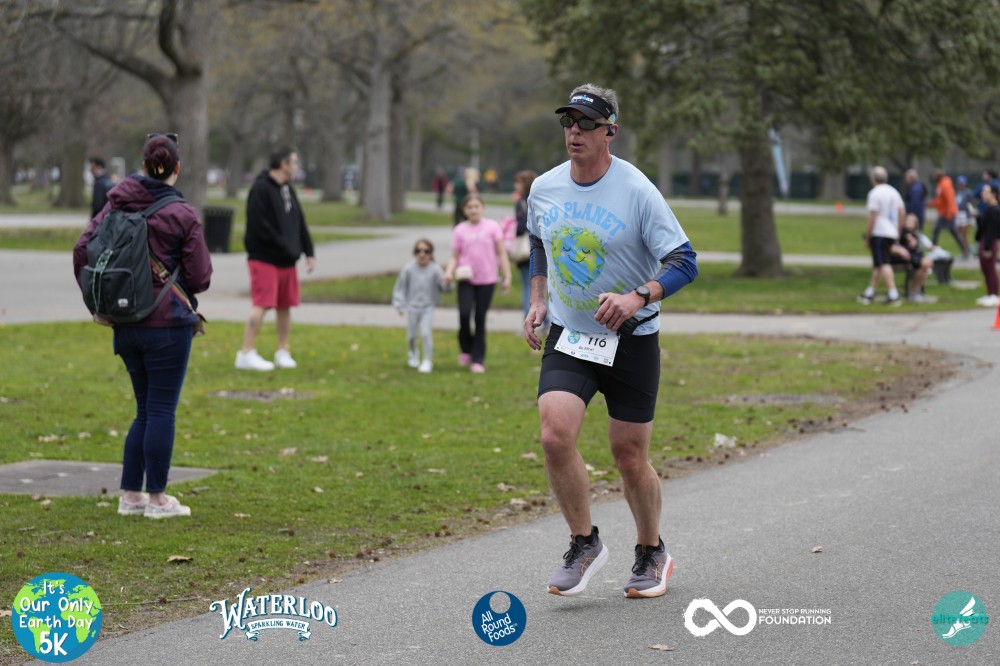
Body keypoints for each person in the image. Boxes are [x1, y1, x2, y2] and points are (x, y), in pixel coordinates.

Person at [523, 83, 698, 599]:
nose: (574, 132)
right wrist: (537, 298)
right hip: (570, 334)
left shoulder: (637, 190)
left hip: (631, 338)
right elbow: (538, 241)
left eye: (586, 124)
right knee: (554, 436)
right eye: (568, 122)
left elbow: (685, 261)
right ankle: (584, 544)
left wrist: (637, 297)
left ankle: (651, 550)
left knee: (628, 455)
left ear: (610, 132)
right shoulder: (544, 188)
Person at [73, 133, 212, 518]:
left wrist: (97, 302)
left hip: (125, 320)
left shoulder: (115, 203)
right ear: (177, 167)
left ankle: (131, 495)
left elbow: (83, 249)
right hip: (167, 323)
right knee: (162, 410)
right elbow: (200, 277)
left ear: (144, 164)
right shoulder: (183, 214)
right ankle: (157, 500)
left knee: (145, 410)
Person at [236, 147, 316, 371]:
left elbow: (299, 222)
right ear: (283, 164)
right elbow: (260, 227)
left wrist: (308, 251)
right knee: (262, 304)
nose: (296, 167)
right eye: (294, 162)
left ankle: (282, 351)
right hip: (264, 258)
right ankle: (245, 353)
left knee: (285, 306)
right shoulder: (260, 189)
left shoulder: (288, 189)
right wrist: (287, 247)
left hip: (286, 260)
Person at [444, 193, 511, 373]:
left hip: (487, 279)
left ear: (482, 208)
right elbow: (454, 256)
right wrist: (448, 272)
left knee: (480, 318)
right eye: (469, 207)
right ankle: (465, 348)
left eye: (476, 206)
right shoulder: (460, 230)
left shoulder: (492, 227)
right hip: (466, 278)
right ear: (464, 210)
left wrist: (507, 276)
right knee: (464, 314)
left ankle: (478, 359)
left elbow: (501, 253)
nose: (473, 210)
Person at [392, 238, 447, 373]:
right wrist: (399, 304)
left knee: (426, 333)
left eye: (426, 251)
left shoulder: (435, 269)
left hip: (428, 306)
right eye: (419, 251)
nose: (422, 254)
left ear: (431, 253)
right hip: (412, 306)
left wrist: (448, 282)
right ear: (415, 253)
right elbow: (400, 288)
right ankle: (413, 353)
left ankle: (427, 360)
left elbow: (445, 287)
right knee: (411, 336)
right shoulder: (408, 269)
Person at [858, 166, 905, 306]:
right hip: (891, 232)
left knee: (884, 263)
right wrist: (898, 231)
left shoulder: (875, 193)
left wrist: (868, 235)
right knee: (878, 263)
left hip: (880, 232)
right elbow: (902, 212)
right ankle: (870, 292)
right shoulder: (894, 192)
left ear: (873, 178)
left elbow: (873, 215)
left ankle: (893, 294)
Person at [512, 170, 545, 327]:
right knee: (542, 287)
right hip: (542, 247)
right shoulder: (541, 200)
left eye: (518, 182)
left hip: (528, 248)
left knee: (528, 285)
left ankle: (529, 320)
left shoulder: (522, 202)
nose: (516, 186)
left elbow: (522, 226)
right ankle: (545, 320)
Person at [890, 214, 935, 303]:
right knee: (926, 264)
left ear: (915, 224)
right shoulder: (902, 232)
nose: (909, 223)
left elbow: (920, 246)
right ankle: (913, 291)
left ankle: (916, 291)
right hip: (903, 257)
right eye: (907, 221)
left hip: (912, 256)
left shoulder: (916, 234)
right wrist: (911, 241)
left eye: (911, 221)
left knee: (927, 266)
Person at [928, 169, 968, 258]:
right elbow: (940, 200)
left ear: (939, 177)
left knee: (937, 230)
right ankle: (965, 251)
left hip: (947, 213)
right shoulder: (940, 184)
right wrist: (930, 204)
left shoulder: (945, 185)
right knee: (951, 232)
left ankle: (934, 250)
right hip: (944, 212)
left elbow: (950, 200)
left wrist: (949, 214)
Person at [975, 183, 1000, 307]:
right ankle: (989, 293)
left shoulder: (995, 210)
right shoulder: (988, 209)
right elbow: (984, 227)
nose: (982, 194)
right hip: (985, 240)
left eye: (985, 192)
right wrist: (977, 217)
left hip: (989, 242)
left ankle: (994, 295)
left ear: (993, 194)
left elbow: (992, 230)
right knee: (985, 268)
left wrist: (988, 247)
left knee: (990, 269)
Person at [955, 175, 975, 259]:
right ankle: (967, 249)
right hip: (958, 214)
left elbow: (971, 204)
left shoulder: (968, 192)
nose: (961, 184)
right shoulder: (958, 192)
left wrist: (971, 214)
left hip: (965, 215)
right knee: (959, 234)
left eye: (962, 183)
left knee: (964, 234)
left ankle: (966, 252)